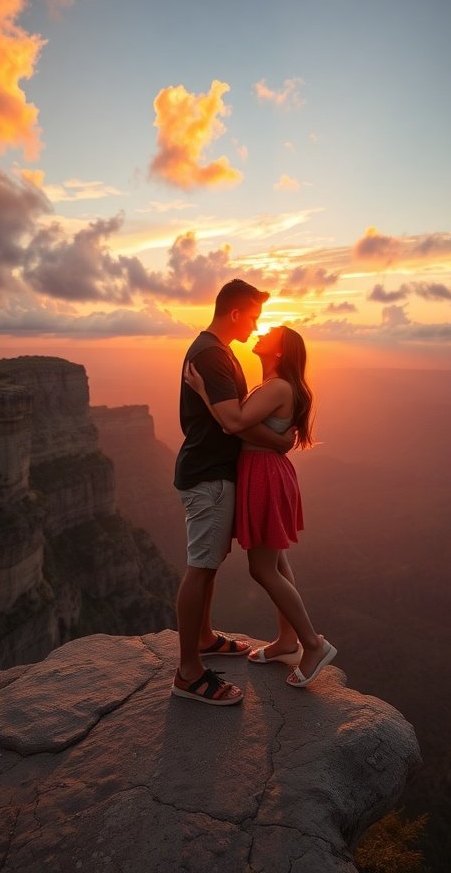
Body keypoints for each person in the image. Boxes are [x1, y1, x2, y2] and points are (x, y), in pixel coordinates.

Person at [185, 325, 337, 688]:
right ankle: (287, 641)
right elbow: (243, 428)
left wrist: (203, 390)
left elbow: (232, 425)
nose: (261, 333)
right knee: (279, 562)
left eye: (269, 334)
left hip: (264, 476)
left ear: (281, 352)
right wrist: (277, 439)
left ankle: (312, 644)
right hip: (266, 471)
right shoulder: (275, 384)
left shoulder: (278, 386)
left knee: (262, 569)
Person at [172, 280, 296, 706]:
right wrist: (279, 442)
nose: (257, 324)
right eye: (255, 316)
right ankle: (188, 673)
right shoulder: (211, 354)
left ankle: (204, 638)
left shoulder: (218, 353)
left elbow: (235, 417)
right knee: (200, 567)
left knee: (210, 563)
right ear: (237, 313)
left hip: (215, 472)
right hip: (208, 473)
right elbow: (231, 420)